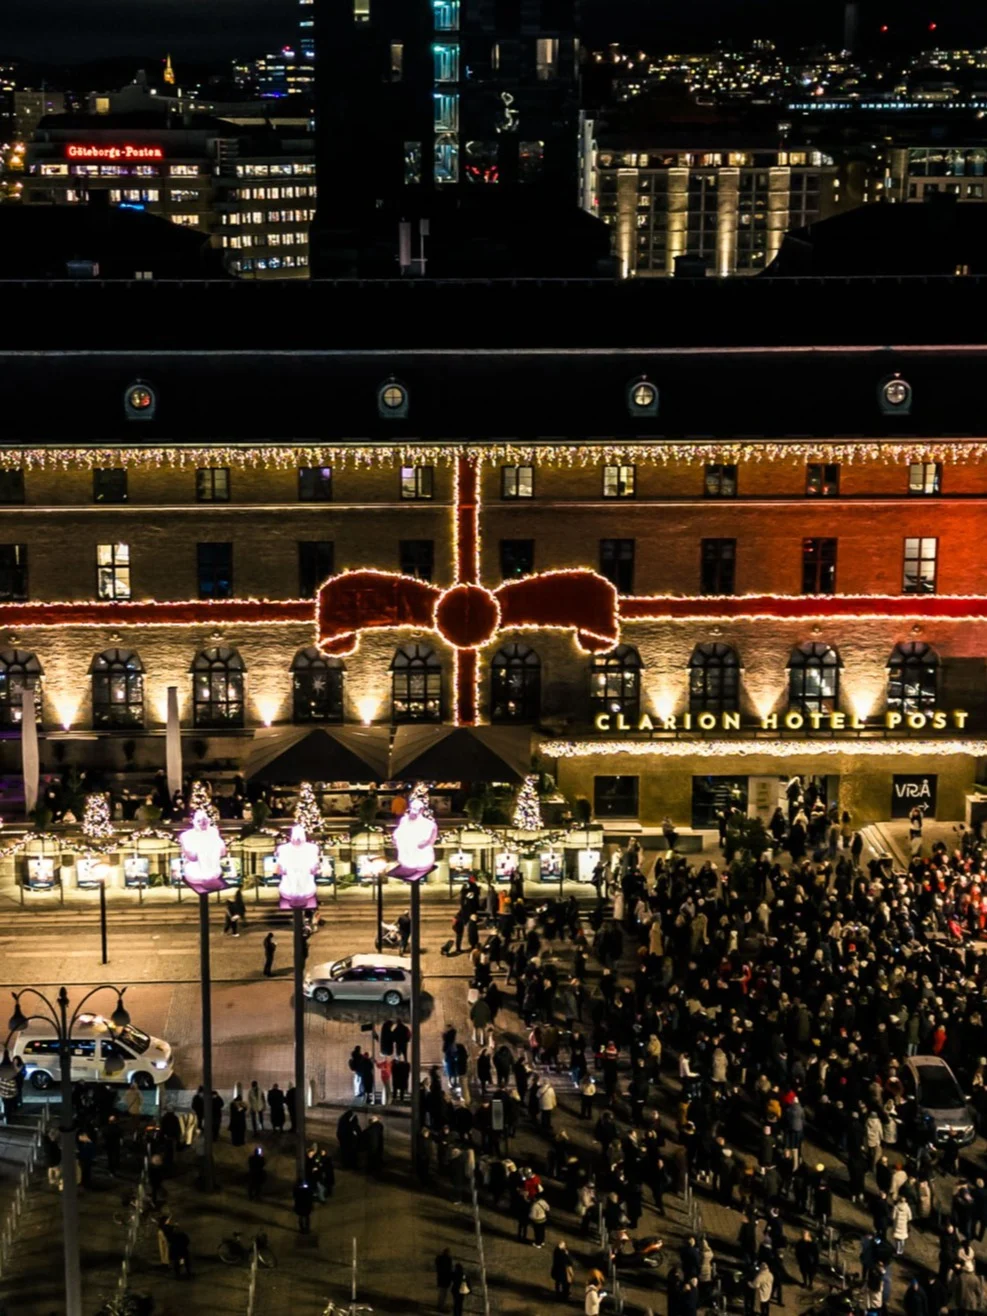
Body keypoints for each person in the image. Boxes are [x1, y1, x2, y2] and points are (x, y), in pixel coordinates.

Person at [435, 1247, 454, 1312]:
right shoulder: (449, 1259)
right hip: (446, 1279)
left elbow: (437, 1266)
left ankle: (439, 1305)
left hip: (440, 1278)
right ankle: (441, 1306)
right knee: (444, 1294)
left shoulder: (439, 1258)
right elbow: (450, 1269)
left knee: (441, 1293)